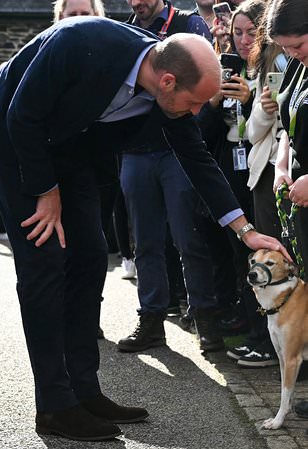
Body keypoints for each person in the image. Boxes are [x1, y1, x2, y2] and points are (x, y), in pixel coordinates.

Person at [0, 16, 289, 442]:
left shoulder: (168, 78)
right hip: (16, 144)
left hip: (71, 152)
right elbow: (21, 115)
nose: (195, 114)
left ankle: (84, 390)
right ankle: (55, 406)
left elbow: (197, 158)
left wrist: (246, 231)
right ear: (168, 81)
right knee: (44, 267)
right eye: (193, 104)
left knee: (91, 259)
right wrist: (45, 191)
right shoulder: (78, 42)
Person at [119, 0, 223, 354]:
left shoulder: (189, 25)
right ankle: (151, 321)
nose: (137, 2)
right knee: (144, 242)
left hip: (177, 151)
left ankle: (205, 318)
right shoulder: (127, 30)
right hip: (135, 153)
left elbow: (210, 91)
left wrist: (195, 134)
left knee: (188, 237)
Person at [198, 0, 281, 368]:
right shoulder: (227, 66)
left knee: (260, 246)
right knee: (234, 248)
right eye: (237, 32)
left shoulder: (274, 67)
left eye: (251, 32)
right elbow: (202, 131)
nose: (244, 39)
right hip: (231, 167)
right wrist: (215, 101)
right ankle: (247, 318)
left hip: (262, 167)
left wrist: (249, 105)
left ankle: (262, 335)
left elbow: (266, 129)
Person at [266, 0, 308, 419]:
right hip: (298, 198)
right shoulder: (298, 65)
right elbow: (284, 125)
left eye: (297, 44)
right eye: (286, 48)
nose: (292, 53)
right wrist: (281, 165)